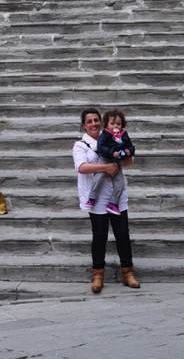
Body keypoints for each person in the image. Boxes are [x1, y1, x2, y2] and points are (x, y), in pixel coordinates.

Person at [73, 107, 140, 294]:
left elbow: (129, 161)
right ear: (84, 126)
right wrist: (107, 167)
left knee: (123, 234)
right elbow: (82, 167)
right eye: (89, 121)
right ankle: (98, 275)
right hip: (97, 199)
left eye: (96, 120)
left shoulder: (112, 136)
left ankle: (128, 272)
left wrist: (122, 155)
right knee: (100, 236)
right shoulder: (80, 145)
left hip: (116, 196)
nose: (93, 124)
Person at [86, 108, 136, 215]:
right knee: (99, 177)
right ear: (107, 124)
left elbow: (131, 147)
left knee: (120, 183)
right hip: (105, 158)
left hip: (116, 161)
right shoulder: (105, 134)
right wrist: (112, 152)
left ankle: (113, 203)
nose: (115, 126)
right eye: (112, 123)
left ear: (122, 124)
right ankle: (92, 197)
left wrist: (128, 151)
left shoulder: (123, 134)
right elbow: (101, 147)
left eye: (118, 124)